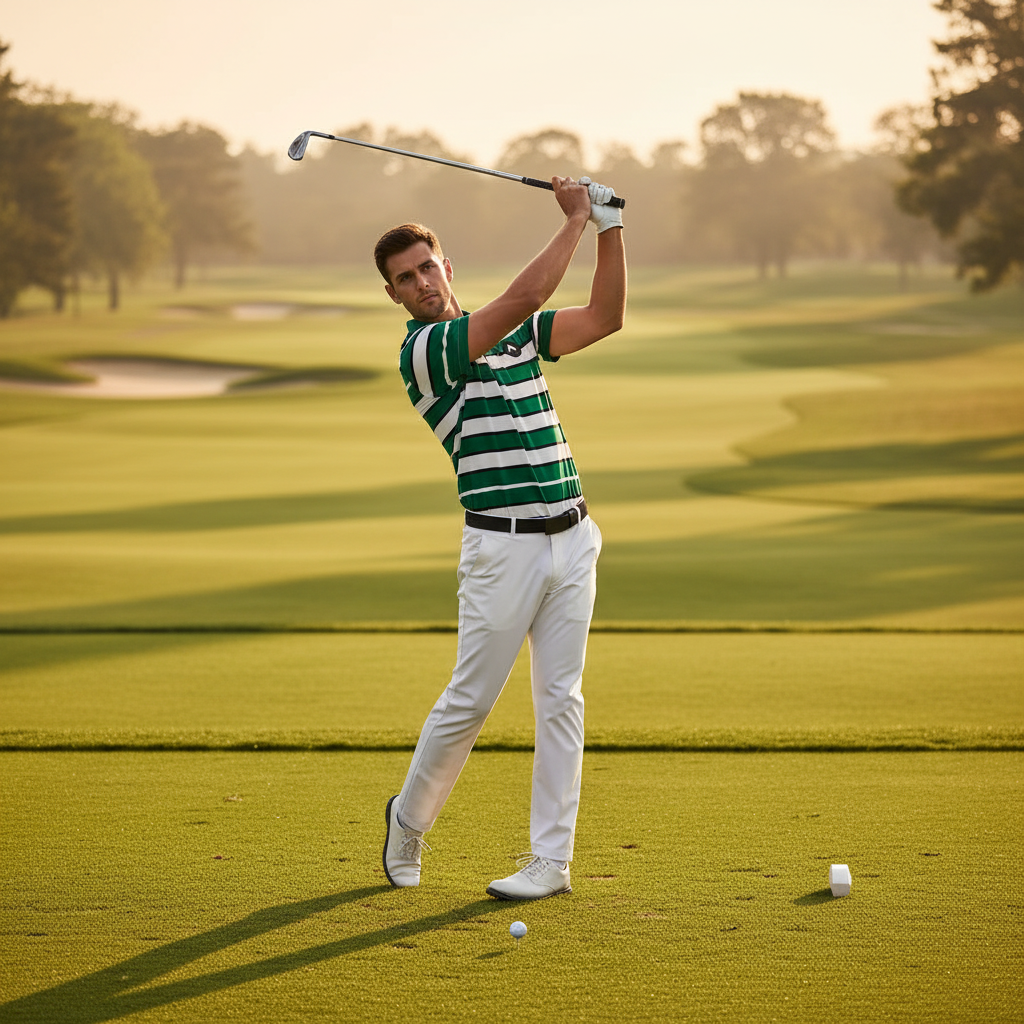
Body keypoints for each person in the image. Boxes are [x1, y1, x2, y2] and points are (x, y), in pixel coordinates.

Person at [374, 175, 626, 901]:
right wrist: (576, 218)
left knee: (562, 700)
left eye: (428, 266)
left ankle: (551, 860)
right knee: (471, 700)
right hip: (500, 548)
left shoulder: (515, 334)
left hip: (574, 536)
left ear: (446, 266)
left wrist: (611, 226)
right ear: (394, 295)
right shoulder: (425, 354)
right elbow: (520, 300)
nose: (421, 281)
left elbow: (605, 316)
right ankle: (409, 819)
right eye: (405, 277)